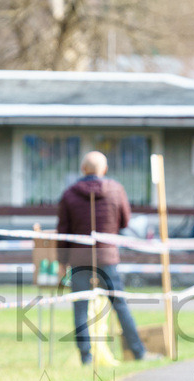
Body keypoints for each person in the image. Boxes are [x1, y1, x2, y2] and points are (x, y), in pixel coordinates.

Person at [56, 150, 152, 365]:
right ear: (105, 170)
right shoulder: (116, 190)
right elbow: (125, 222)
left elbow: (62, 231)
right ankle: (138, 352)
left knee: (80, 306)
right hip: (107, 255)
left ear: (83, 169)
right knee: (119, 304)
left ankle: (86, 357)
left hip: (79, 257)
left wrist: (61, 263)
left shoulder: (69, 194)